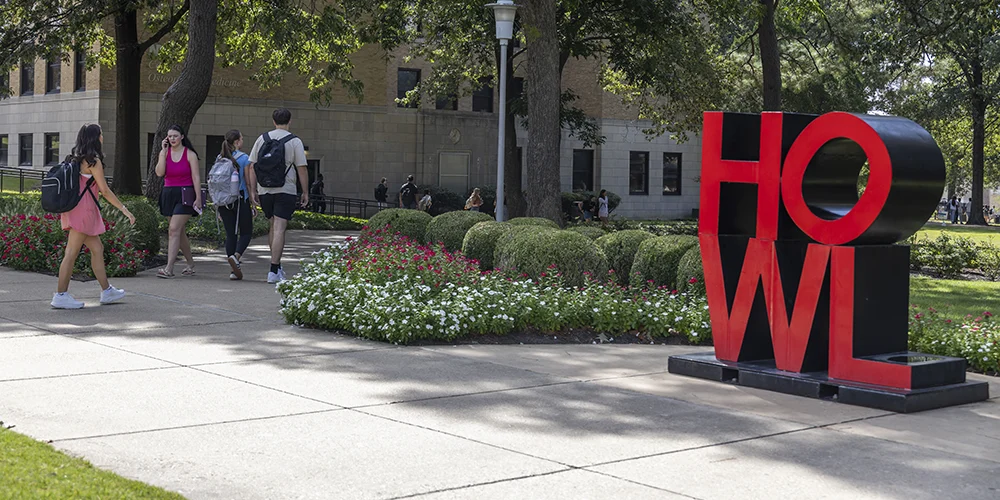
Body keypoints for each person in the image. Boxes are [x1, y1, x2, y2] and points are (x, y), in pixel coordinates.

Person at [51, 124, 136, 309]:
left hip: (74, 209)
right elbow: (104, 191)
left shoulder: (75, 158)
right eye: (101, 134)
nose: (103, 137)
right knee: (71, 253)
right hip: (84, 211)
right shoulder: (93, 161)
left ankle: (107, 291)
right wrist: (124, 209)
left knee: (97, 248)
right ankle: (60, 295)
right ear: (95, 138)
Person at [246, 108, 309, 284]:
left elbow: (252, 166)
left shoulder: (262, 139)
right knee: (280, 227)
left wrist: (253, 191)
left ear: (273, 121)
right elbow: (301, 168)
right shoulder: (294, 141)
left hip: (265, 189)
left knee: (273, 226)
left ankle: (277, 266)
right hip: (285, 189)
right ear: (290, 121)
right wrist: (305, 192)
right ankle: (273, 270)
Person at [155, 124, 201, 279]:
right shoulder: (165, 153)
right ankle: (190, 263)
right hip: (168, 193)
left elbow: (196, 177)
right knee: (179, 231)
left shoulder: (190, 154)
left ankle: (169, 268)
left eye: (175, 136)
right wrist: (162, 152)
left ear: (182, 136)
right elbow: (160, 173)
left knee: (173, 229)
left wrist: (199, 198)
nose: (172, 139)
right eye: (170, 136)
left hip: (185, 194)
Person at [216, 129, 253, 281]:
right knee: (246, 232)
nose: (242, 141)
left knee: (231, 234)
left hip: (224, 201)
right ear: (237, 142)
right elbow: (248, 181)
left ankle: (233, 270)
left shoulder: (220, 157)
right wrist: (253, 201)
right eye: (242, 139)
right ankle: (236, 257)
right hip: (239, 199)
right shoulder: (244, 158)